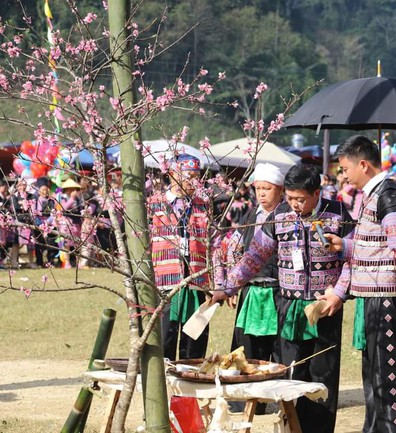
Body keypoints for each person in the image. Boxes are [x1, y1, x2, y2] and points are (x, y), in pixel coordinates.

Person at [212, 163, 354, 433]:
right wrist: (228, 287)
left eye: (300, 199)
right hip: (288, 305)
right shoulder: (280, 215)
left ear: (316, 193)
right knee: (291, 372)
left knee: (323, 374)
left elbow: (353, 258)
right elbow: (254, 256)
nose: (294, 205)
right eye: (289, 198)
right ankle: (292, 428)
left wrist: (339, 293)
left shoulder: (337, 213)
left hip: (325, 306)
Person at [324, 135, 396, 433]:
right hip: (376, 295)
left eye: (345, 168)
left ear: (363, 164)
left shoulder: (389, 195)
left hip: (388, 297)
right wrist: (346, 246)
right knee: (374, 371)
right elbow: (374, 246)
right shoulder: (374, 194)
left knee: (388, 374)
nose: (344, 175)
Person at [217, 163, 285, 414]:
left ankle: (279, 399)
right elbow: (231, 247)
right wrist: (230, 286)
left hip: (279, 291)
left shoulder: (286, 215)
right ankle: (245, 400)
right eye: (258, 189)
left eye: (267, 189)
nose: (262, 194)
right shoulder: (249, 215)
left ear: (280, 189)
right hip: (250, 291)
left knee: (277, 347)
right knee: (245, 347)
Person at [149, 154, 213, 360]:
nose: (193, 181)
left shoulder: (202, 205)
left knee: (195, 336)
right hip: (165, 280)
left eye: (197, 176)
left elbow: (214, 244)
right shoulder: (154, 204)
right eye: (188, 176)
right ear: (173, 174)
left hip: (196, 280)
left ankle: (190, 383)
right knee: (164, 334)